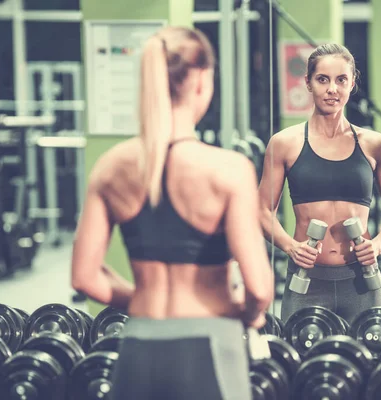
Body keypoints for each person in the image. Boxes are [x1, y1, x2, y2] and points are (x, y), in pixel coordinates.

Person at [71, 26, 274, 400]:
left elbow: (84, 277)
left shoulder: (110, 167)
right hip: (209, 343)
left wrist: (141, 297)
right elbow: (260, 288)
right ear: (200, 80)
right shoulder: (228, 169)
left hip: (138, 345)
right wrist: (246, 311)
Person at [258, 43, 381, 325]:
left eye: (341, 80)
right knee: (299, 366)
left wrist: (377, 245)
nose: (332, 89)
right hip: (306, 281)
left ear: (352, 84)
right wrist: (291, 247)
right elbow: (262, 211)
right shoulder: (284, 144)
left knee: (368, 365)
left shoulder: (375, 144)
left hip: (361, 282)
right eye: (323, 79)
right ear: (308, 83)